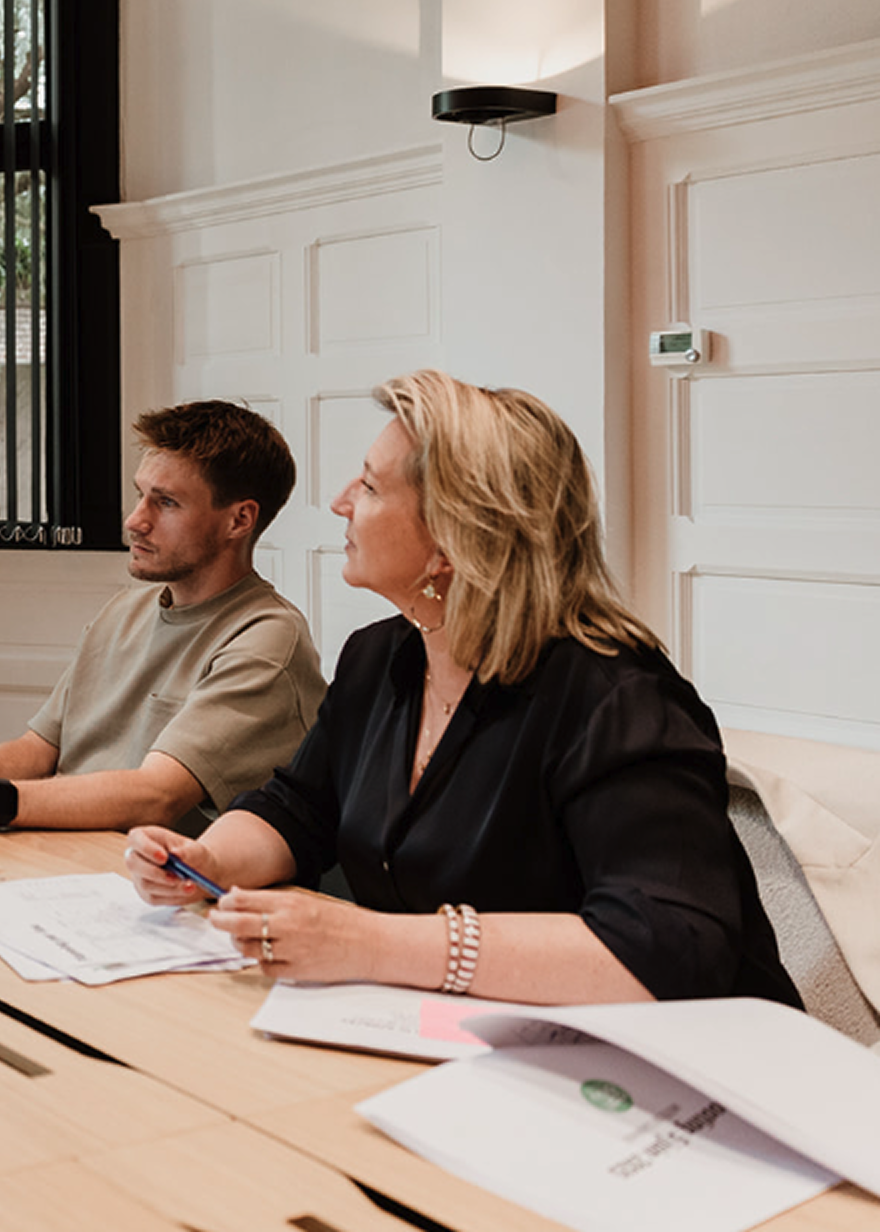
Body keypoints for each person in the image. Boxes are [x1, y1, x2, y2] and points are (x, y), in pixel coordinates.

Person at [125, 370, 798, 1007]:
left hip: (672, 1065)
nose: (340, 502)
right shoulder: (378, 659)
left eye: (370, 486)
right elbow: (297, 810)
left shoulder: (618, 698)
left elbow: (667, 946)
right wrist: (206, 859)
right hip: (464, 1036)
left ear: (451, 540)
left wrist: (371, 944)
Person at [0, 401, 323, 837]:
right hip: (65, 857)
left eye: (166, 502)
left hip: (156, 887)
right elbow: (40, 747)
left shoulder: (266, 640)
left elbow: (156, 797)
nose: (135, 520)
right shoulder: (124, 611)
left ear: (239, 520)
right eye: (140, 494)